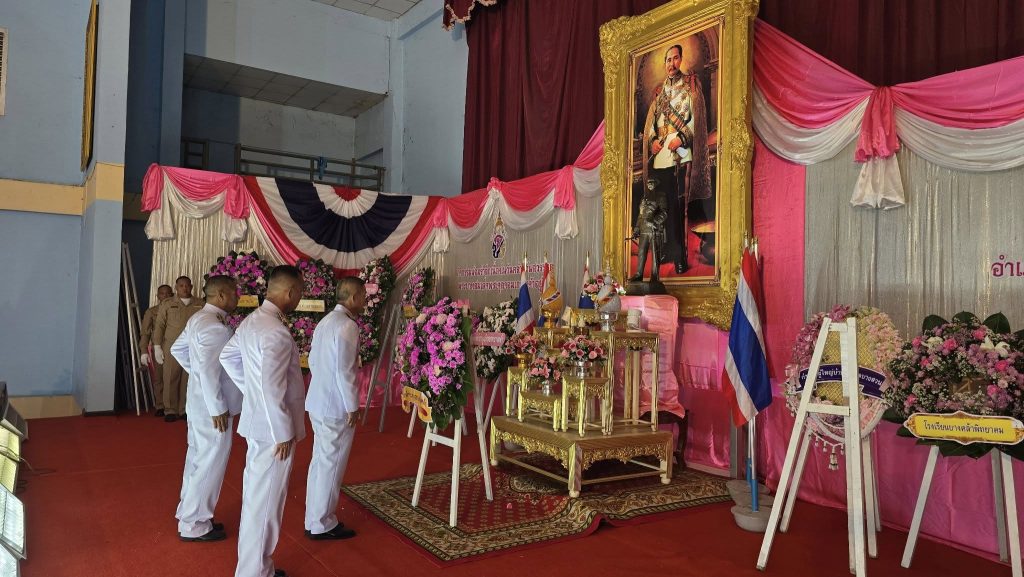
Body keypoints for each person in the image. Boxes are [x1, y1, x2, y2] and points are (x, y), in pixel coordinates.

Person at [220, 266, 306, 577]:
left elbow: (227, 357)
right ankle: (255, 572)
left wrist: (252, 391)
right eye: (300, 293)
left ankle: (255, 568)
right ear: (290, 292)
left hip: (260, 422)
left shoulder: (252, 321)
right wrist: (282, 432)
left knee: (258, 499)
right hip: (273, 432)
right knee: (266, 504)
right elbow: (271, 388)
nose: (300, 299)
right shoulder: (275, 331)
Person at [169, 275, 242, 543]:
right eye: (234, 293)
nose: (237, 297)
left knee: (197, 459)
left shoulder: (199, 318)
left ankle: (189, 513)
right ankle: (195, 523)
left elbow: (178, 350)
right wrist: (218, 407)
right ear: (221, 295)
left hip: (199, 403)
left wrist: (198, 374)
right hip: (212, 408)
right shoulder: (215, 327)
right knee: (210, 462)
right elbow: (210, 372)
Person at [304, 277, 366, 541]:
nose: (365, 301)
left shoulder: (326, 321)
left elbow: (313, 361)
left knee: (320, 461)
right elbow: (344, 371)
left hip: (318, 401)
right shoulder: (347, 325)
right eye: (363, 296)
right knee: (331, 464)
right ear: (353, 298)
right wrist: (353, 405)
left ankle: (314, 518)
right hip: (335, 406)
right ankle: (322, 523)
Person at [641, 43, 711, 275]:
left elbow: (695, 119)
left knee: (678, 208)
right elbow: (653, 123)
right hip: (660, 156)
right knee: (662, 207)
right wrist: (653, 139)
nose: (671, 63)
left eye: (675, 58)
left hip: (681, 154)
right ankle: (666, 251)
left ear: (681, 59)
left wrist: (681, 138)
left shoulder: (690, 86)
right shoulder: (659, 92)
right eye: (668, 59)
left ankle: (680, 256)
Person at [153, 276, 204, 422]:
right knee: (170, 377)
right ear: (176, 288)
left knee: (187, 379)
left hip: (192, 347)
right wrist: (157, 346)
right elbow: (160, 325)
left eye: (187, 285)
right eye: (181, 286)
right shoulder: (168, 304)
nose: (184, 288)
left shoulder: (200, 304)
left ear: (192, 287)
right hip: (171, 346)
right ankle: (170, 410)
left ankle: (184, 409)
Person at [140, 284, 173, 416]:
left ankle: (174, 406)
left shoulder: (176, 310)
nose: (166, 296)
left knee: (174, 378)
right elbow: (145, 333)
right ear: (158, 296)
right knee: (159, 378)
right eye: (162, 293)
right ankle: (160, 405)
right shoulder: (151, 312)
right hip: (158, 348)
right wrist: (143, 350)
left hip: (174, 348)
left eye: (168, 293)